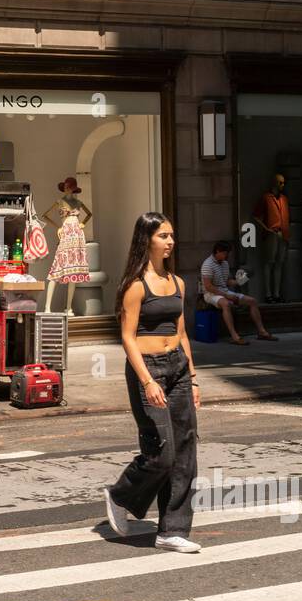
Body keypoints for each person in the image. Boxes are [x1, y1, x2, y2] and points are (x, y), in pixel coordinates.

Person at [103, 213, 203, 553]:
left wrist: (193, 377)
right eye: (164, 235)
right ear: (147, 240)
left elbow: (181, 332)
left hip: (177, 369)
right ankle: (121, 495)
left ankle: (172, 530)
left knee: (186, 452)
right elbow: (128, 338)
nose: (170, 241)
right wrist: (147, 381)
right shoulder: (135, 285)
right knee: (162, 451)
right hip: (149, 370)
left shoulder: (177, 282)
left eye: (172, 235)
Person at [200, 241, 276, 345]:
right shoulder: (207, 264)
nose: (227, 256)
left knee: (252, 301)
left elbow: (227, 281)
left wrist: (241, 280)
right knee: (225, 304)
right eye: (225, 253)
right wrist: (227, 296)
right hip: (211, 294)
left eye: (228, 253)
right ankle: (235, 336)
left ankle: (262, 332)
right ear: (218, 251)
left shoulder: (225, 263)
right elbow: (208, 287)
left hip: (225, 291)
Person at [253, 174, 290, 303]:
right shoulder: (266, 198)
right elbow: (256, 216)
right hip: (272, 233)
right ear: (274, 183)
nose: (282, 185)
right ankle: (268, 294)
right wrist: (266, 229)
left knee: (279, 263)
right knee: (269, 262)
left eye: (283, 183)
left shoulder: (284, 199)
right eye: (280, 183)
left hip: (283, 234)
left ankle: (276, 294)